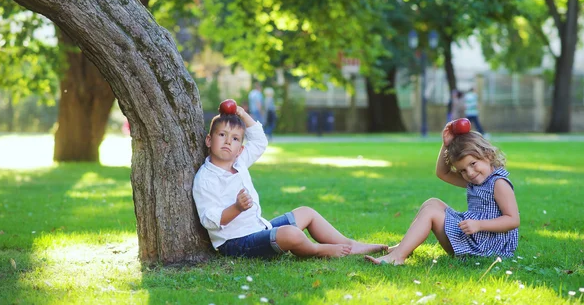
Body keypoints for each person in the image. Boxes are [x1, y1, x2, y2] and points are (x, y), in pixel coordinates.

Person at [193, 106, 387, 259]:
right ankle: (318, 250)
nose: (228, 141)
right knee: (290, 234)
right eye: (222, 135)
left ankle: (350, 244)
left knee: (306, 213)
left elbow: (260, 141)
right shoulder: (206, 178)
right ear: (209, 140)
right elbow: (210, 220)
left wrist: (241, 113)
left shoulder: (240, 162)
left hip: (259, 229)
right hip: (235, 242)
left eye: (235, 138)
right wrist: (237, 207)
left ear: (240, 149)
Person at [365, 123, 519, 265]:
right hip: (474, 237)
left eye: (473, 164)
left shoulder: (499, 183)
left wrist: (479, 225)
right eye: (462, 170)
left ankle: (397, 257)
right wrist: (446, 145)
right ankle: (405, 247)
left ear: (488, 155)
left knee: (432, 212)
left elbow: (513, 220)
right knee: (432, 203)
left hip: (486, 248)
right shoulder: (477, 180)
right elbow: (442, 173)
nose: (470, 173)